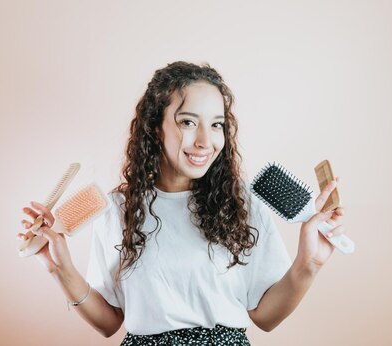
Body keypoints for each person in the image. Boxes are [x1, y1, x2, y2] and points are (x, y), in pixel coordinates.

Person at [18, 61, 346, 345]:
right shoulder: (117, 209)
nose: (206, 141)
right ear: (154, 128)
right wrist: (58, 267)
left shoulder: (244, 203)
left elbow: (265, 317)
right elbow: (109, 322)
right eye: (188, 122)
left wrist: (308, 265)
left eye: (217, 124)